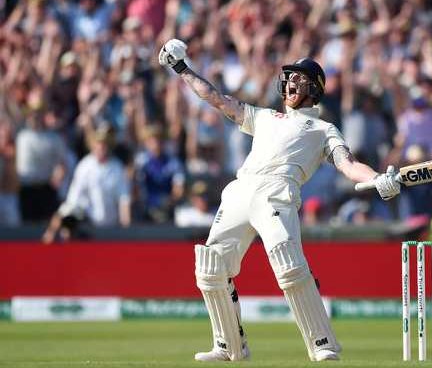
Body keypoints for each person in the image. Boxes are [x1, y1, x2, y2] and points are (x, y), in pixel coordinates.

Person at [159, 39, 400, 362]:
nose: (291, 83)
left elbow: (349, 165)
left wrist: (376, 178)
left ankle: (323, 343)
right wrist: (181, 68)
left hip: (277, 192)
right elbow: (216, 99)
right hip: (241, 189)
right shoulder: (263, 117)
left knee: (289, 267)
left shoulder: (323, 128)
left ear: (315, 89)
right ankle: (229, 346)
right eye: (289, 78)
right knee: (210, 267)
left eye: (299, 79)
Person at [42, 124, 131, 243]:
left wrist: (126, 232)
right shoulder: (84, 166)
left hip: (111, 226)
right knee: (67, 220)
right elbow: (73, 200)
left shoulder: (117, 167)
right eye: (98, 143)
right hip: (87, 225)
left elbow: (124, 200)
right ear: (92, 145)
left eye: (104, 143)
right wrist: (52, 231)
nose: (101, 147)